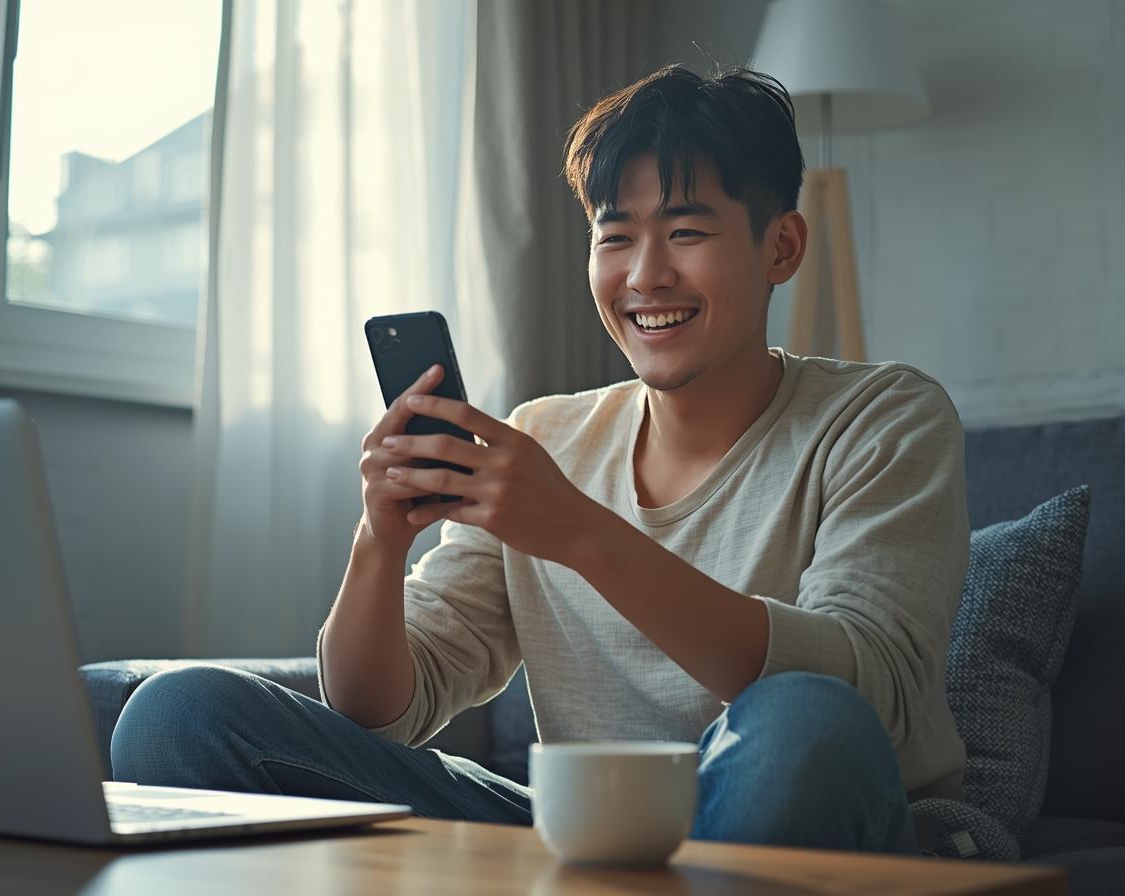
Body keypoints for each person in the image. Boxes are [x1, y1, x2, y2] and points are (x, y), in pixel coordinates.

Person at [111, 64, 968, 854]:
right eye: (616, 237)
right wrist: (379, 542)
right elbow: (382, 714)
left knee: (801, 722)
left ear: (780, 246)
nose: (646, 275)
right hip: (583, 828)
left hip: (792, 811)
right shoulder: (548, 437)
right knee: (177, 715)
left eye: (686, 232)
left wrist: (579, 533)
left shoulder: (883, 418)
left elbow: (868, 692)